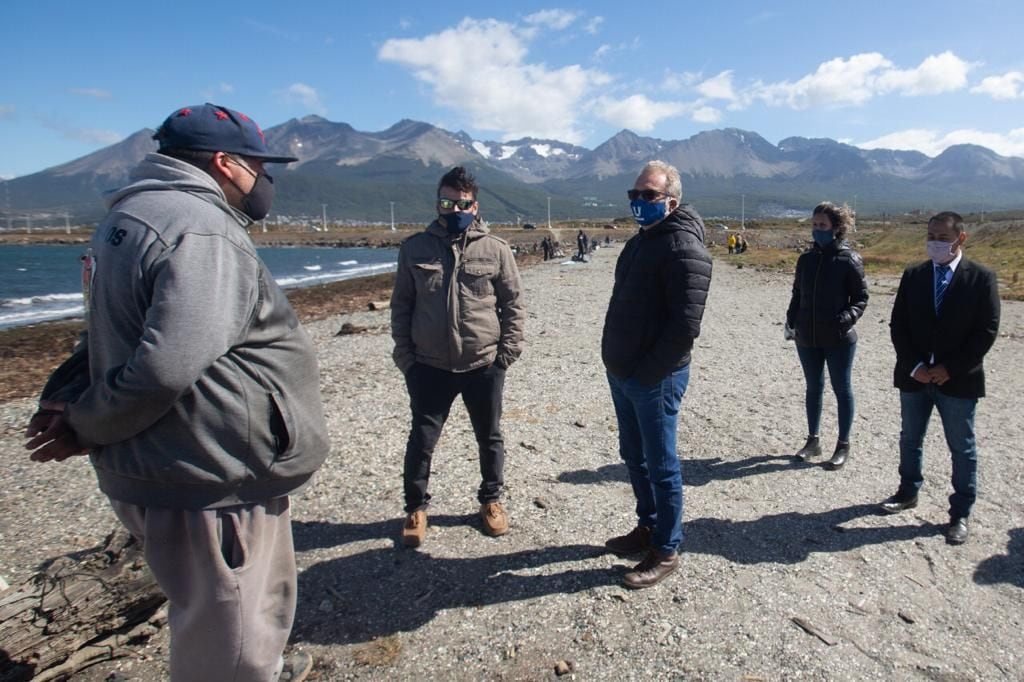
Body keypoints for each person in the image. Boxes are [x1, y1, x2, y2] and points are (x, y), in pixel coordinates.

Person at [23, 103, 328, 682]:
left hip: (174, 461)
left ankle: (258, 665)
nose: (264, 179)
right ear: (224, 162)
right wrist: (85, 422)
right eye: (258, 164)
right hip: (210, 471)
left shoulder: (129, 216)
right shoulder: (201, 228)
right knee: (231, 623)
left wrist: (66, 399)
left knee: (222, 614)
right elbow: (166, 365)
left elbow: (108, 332)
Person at [390, 166, 526, 548]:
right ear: (438, 202)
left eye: (461, 203)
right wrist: (406, 358)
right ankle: (415, 507)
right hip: (429, 366)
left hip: (483, 363)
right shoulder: (415, 248)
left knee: (490, 436)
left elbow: (513, 304)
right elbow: (401, 306)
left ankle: (492, 500)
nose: (454, 209)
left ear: (475, 205)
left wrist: (506, 354)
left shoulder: (495, 249)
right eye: (446, 202)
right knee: (421, 438)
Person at [601, 160, 712, 589]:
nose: (640, 202)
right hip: (624, 373)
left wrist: (647, 373)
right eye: (635, 195)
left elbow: (685, 327)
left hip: (655, 377)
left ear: (671, 200)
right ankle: (647, 527)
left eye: (649, 195)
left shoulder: (683, 247)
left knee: (662, 464)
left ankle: (666, 549)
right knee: (634, 455)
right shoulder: (641, 242)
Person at [880, 211, 1000, 545]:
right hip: (915, 377)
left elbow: (986, 331)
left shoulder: (981, 278)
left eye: (943, 238)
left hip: (957, 381)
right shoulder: (913, 275)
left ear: (961, 239)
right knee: (910, 438)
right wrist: (913, 365)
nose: (935, 243)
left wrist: (950, 368)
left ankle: (960, 512)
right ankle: (907, 491)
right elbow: (898, 325)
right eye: (931, 236)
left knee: (962, 447)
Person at [784, 202, 868, 470]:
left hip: (839, 338)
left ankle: (843, 444)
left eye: (823, 225)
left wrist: (845, 319)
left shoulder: (848, 259)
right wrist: (790, 320)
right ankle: (813, 441)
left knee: (842, 389)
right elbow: (797, 294)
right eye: (814, 224)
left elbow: (861, 298)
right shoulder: (806, 260)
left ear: (836, 228)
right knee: (813, 388)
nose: (817, 229)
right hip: (807, 337)